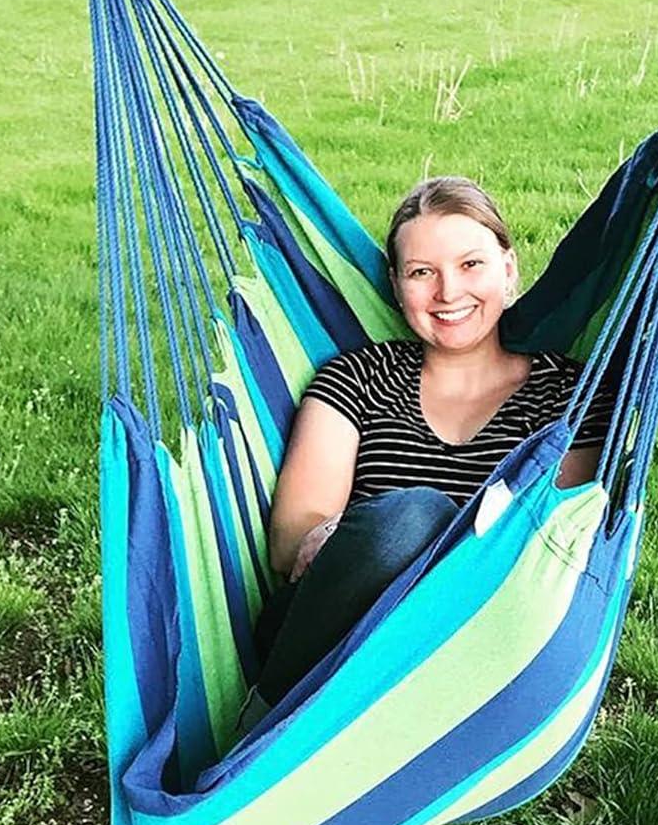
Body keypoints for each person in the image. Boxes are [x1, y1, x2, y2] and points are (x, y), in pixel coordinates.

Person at [233, 175, 616, 739]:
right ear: (396, 285)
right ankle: (260, 738)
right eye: (421, 273)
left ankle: (263, 739)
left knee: (416, 518)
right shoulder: (357, 378)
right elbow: (293, 543)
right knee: (408, 518)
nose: (447, 292)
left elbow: (552, 547)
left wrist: (403, 539)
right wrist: (386, 535)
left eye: (471, 265)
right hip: (332, 644)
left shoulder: (570, 397)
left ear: (509, 269)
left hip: (479, 646)